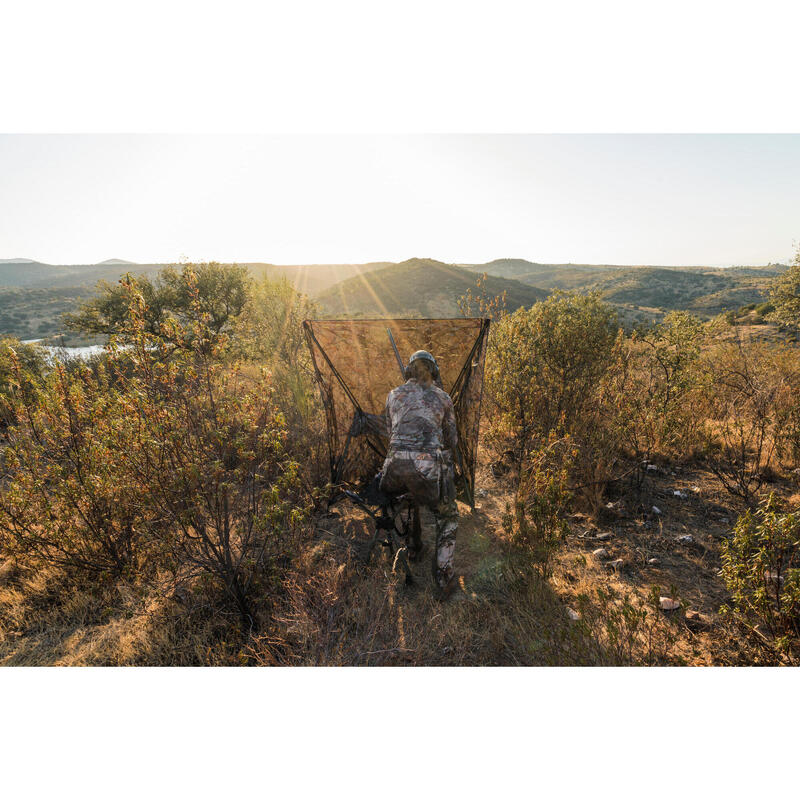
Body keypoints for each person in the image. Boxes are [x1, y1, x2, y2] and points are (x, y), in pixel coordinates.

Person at [379, 350, 459, 596]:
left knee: (410, 492)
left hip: (391, 473)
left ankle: (414, 546)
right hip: (424, 472)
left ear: (409, 372)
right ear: (433, 372)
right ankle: (444, 579)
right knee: (449, 515)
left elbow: (387, 430)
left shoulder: (393, 395)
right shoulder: (443, 398)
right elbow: (452, 441)